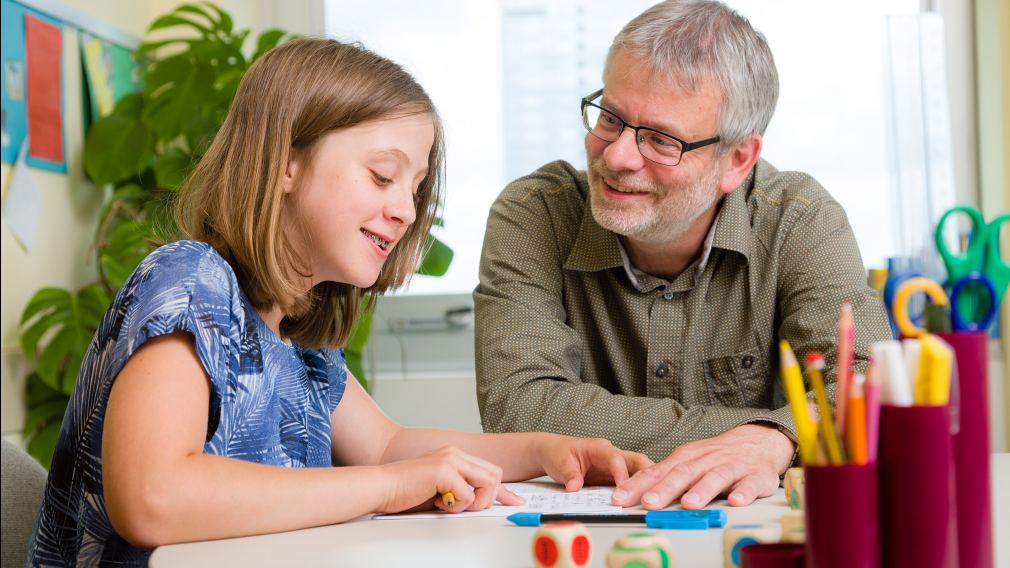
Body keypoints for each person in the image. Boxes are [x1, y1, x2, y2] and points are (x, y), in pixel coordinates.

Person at [26, 38, 651, 566]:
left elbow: (387, 445)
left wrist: (545, 451)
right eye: (382, 176)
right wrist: (389, 487)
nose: (406, 210)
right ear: (285, 163)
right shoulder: (191, 284)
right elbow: (152, 497)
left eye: (415, 186)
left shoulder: (300, 335)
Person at [474, 0, 891, 512]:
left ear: (736, 160)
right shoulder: (533, 214)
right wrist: (774, 431)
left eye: (661, 140)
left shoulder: (799, 219)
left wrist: (773, 440)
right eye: (610, 117)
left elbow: (868, 387)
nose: (617, 157)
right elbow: (518, 407)